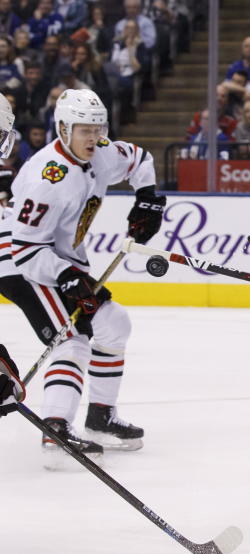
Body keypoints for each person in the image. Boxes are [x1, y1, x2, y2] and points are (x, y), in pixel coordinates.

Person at [0, 89, 165, 464]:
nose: (92, 137)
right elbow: (24, 250)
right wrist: (68, 277)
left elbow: (140, 159)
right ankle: (56, 428)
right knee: (71, 339)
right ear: (63, 129)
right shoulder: (47, 179)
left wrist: (148, 197)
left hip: (61, 263)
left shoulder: (101, 151)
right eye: (83, 130)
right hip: (24, 268)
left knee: (114, 324)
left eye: (97, 128)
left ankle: (100, 417)